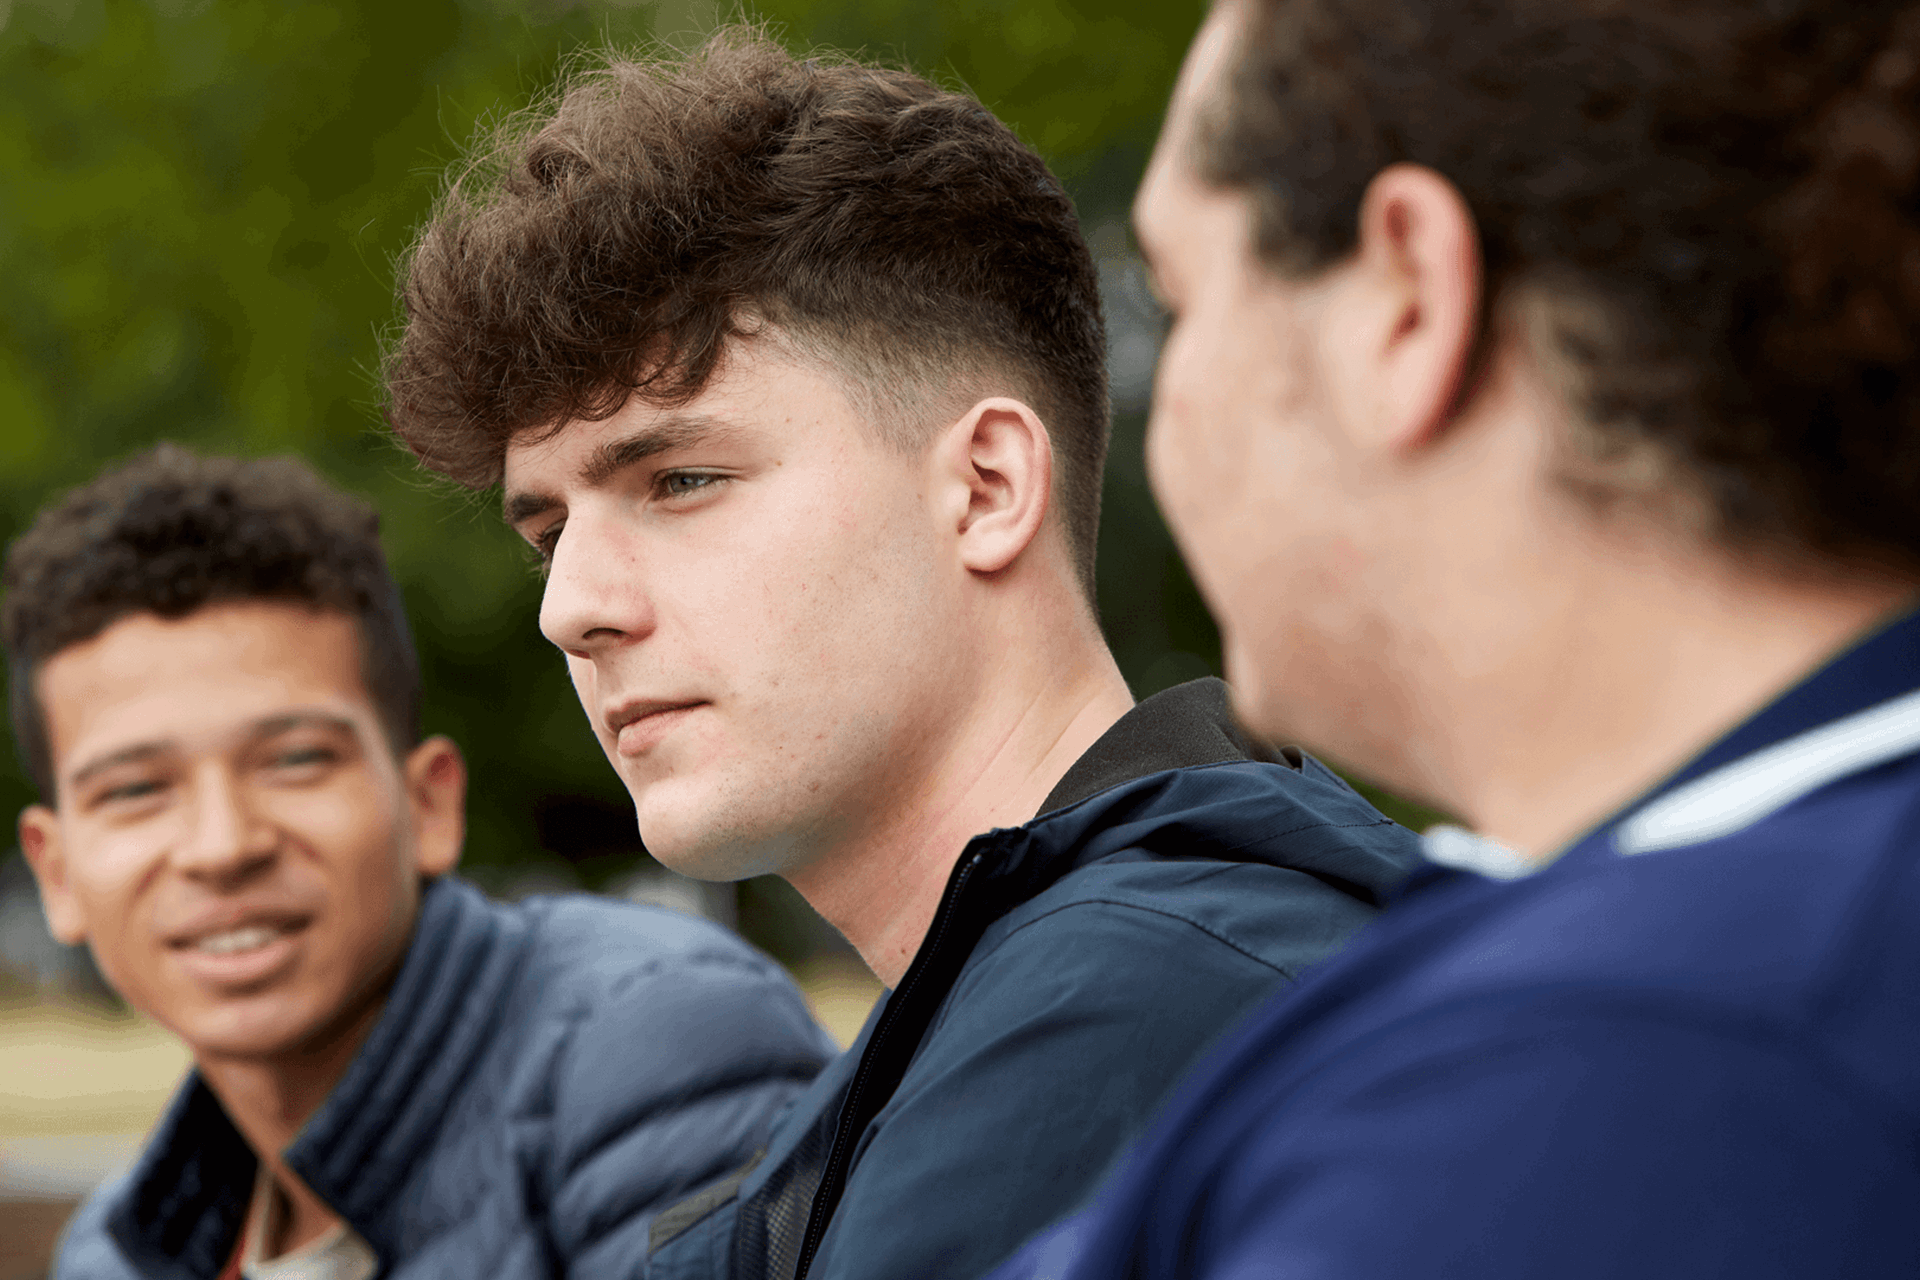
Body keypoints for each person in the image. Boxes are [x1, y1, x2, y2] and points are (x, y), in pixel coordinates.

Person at [381, 26, 1427, 1280]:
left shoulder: (1138, 997)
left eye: (681, 477)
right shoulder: (974, 1020)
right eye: (548, 532)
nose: (573, 609)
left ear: (986, 486)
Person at [985, 1, 1920, 1276]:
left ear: (1406, 299)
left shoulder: (1621, 1080)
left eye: (1180, 293)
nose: (1168, 409)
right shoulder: (1703, 943)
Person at [12, 444, 837, 1280]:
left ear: (430, 807)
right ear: (58, 874)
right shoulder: (117, 1249)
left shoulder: (654, 1049)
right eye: (136, 790)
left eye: (294, 760)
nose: (223, 847)